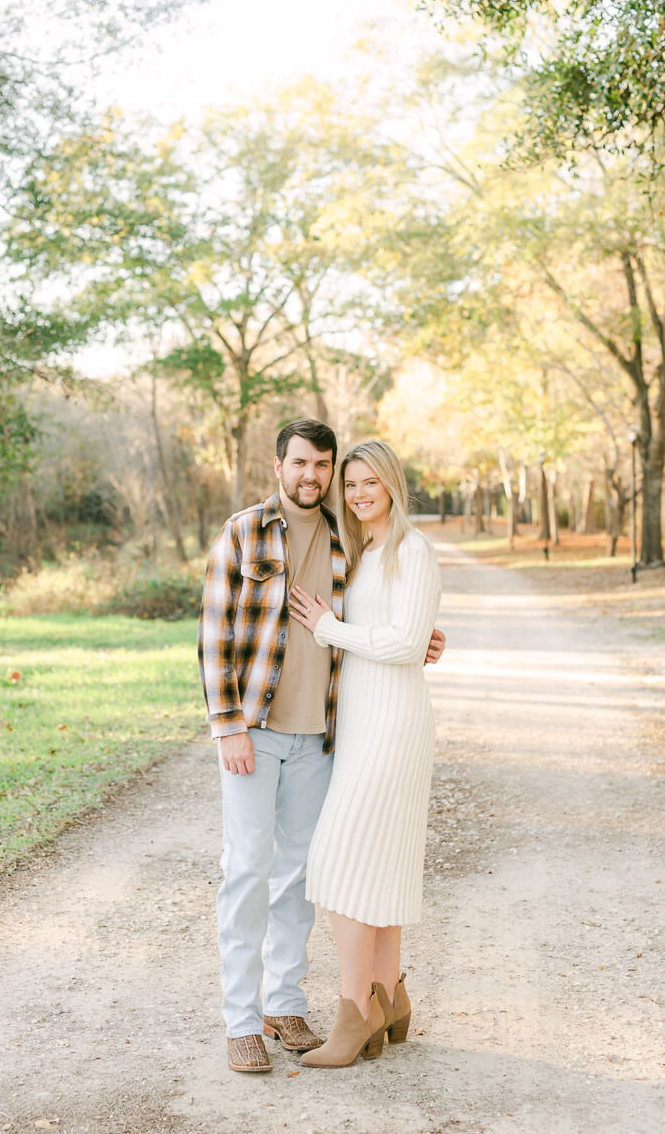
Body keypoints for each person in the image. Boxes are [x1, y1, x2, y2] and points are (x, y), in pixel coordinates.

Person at [198, 419, 445, 1073]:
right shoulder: (245, 531)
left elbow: (376, 622)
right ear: (277, 464)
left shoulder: (347, 543)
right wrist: (227, 724)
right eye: (300, 463)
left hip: (322, 738)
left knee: (303, 878)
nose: (313, 476)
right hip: (255, 731)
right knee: (248, 871)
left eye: (323, 467)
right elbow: (215, 633)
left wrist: (422, 639)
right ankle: (241, 1022)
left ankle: (284, 1005)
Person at [288, 440, 442, 1068]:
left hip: (394, 725)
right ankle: (390, 998)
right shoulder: (365, 553)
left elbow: (405, 644)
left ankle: (353, 1013)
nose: (356, 494)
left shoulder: (413, 549)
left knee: (341, 859)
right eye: (348, 484)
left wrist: (330, 627)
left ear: (392, 484)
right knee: (372, 865)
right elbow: (403, 633)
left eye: (367, 481)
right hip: (361, 724)